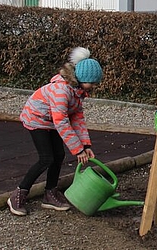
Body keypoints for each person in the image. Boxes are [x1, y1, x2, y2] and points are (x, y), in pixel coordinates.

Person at [7, 47, 103, 216]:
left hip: (51, 121)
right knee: (46, 158)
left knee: (58, 156)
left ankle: (49, 193)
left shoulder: (78, 92)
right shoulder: (62, 91)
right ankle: (19, 193)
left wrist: (86, 144)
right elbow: (62, 121)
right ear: (81, 78)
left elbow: (77, 118)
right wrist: (77, 149)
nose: (94, 86)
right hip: (36, 119)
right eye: (92, 83)